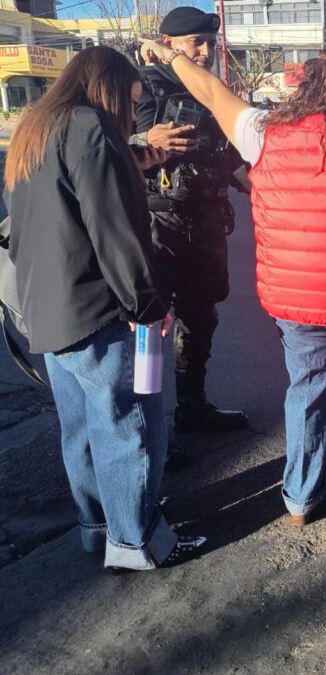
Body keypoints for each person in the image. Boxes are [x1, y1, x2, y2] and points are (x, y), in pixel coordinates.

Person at [138, 39, 326, 541]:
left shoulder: (263, 134)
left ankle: (300, 499)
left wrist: (170, 55)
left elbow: (210, 91)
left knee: (308, 391)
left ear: (305, 89)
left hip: (296, 301)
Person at [4, 46, 206, 571]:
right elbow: (113, 230)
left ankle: (98, 525)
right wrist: (147, 306)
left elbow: (62, 200)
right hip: (99, 307)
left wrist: (134, 160)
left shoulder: (36, 126)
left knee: (83, 427)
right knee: (131, 424)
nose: (128, 114)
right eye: (129, 101)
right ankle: (137, 541)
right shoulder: (91, 125)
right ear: (108, 89)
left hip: (47, 309)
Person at [133, 6, 248, 449]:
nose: (205, 52)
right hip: (157, 226)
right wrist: (145, 141)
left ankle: (192, 408)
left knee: (202, 319)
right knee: (148, 327)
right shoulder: (143, 87)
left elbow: (231, 157)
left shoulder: (213, 93)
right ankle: (145, 436)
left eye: (210, 44)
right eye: (195, 43)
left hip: (205, 222)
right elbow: (104, 145)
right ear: (168, 44)